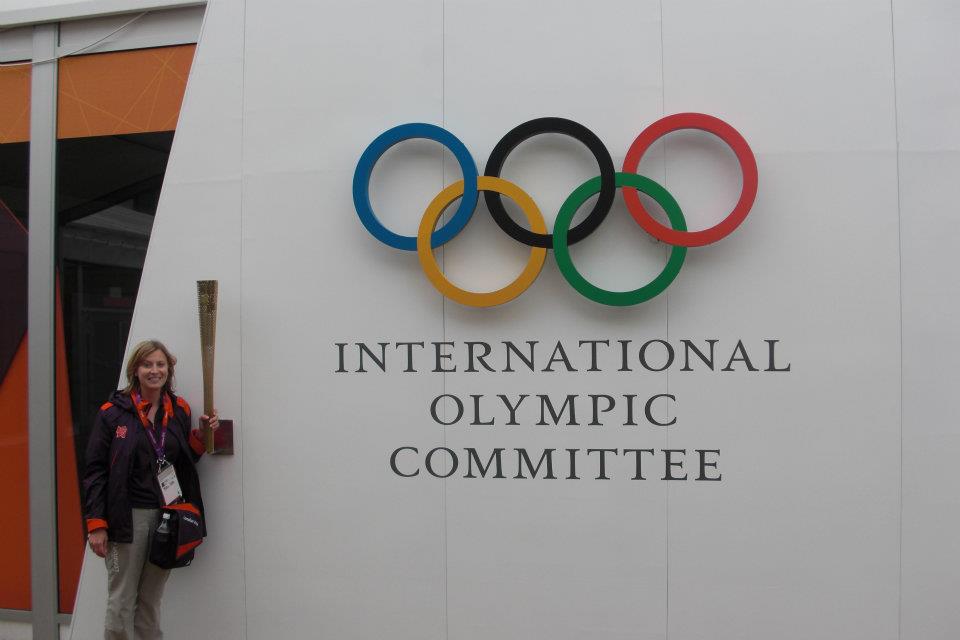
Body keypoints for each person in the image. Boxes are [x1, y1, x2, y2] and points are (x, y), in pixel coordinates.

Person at [83, 339, 217, 640]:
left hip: (168, 517)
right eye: (147, 364)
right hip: (126, 518)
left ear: (169, 370)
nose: (154, 370)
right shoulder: (112, 413)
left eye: (160, 364)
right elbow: (95, 471)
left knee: (150, 601)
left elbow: (184, 459)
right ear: (135, 370)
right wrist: (96, 524)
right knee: (120, 602)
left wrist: (202, 436)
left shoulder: (179, 409)